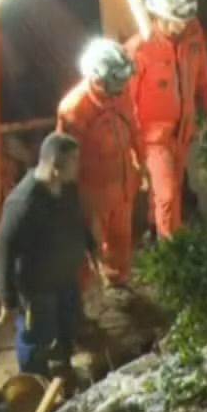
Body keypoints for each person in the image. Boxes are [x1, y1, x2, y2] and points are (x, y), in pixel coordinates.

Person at [0, 132, 96, 376]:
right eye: (74, 161)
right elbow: (4, 251)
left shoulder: (67, 188)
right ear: (55, 167)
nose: (78, 166)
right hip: (37, 288)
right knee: (36, 336)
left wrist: (90, 248)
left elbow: (77, 220)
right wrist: (7, 299)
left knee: (67, 326)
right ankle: (34, 381)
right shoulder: (22, 203)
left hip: (66, 279)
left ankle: (63, 368)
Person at [126, 0, 207, 239]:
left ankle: (156, 232)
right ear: (160, 17)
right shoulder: (139, 50)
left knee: (170, 189)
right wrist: (132, 147)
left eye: (186, 18)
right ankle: (171, 249)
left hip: (183, 131)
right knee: (166, 195)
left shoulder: (193, 35)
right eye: (178, 20)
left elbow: (203, 74)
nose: (183, 24)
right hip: (153, 138)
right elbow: (125, 101)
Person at [57, 38, 143, 291]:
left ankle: (118, 283)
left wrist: (142, 161)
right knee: (86, 249)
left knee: (121, 241)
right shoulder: (74, 108)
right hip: (92, 195)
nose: (123, 87)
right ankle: (76, 300)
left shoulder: (121, 93)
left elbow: (134, 127)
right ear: (97, 77)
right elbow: (66, 159)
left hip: (123, 185)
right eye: (117, 82)